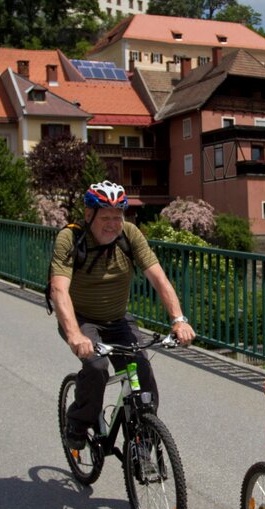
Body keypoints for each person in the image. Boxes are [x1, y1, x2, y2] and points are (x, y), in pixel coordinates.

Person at [50, 180, 195, 450]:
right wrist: (74, 335)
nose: (112, 224)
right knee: (96, 368)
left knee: (142, 373)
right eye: (105, 217)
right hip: (81, 319)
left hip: (117, 319)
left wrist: (178, 319)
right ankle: (78, 423)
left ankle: (142, 443)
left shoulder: (129, 235)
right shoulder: (70, 238)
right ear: (88, 214)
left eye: (118, 217)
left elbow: (159, 278)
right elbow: (59, 290)